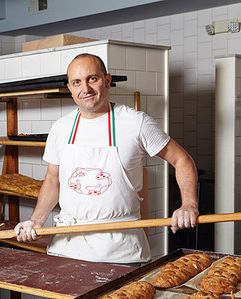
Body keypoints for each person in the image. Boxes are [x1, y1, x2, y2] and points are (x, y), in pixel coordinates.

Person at [14, 53, 199, 263]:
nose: (85, 89)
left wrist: (188, 204)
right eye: (77, 82)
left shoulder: (135, 122)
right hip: (67, 246)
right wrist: (36, 220)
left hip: (119, 248)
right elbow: (53, 179)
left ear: (107, 81)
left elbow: (182, 160)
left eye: (92, 79)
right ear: (70, 88)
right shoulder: (60, 128)